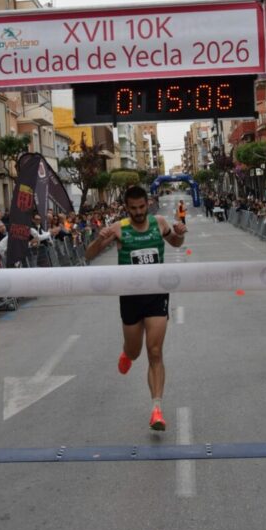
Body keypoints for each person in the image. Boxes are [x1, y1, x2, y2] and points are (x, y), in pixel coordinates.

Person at [85, 185, 187, 431]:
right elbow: (88, 256)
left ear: (147, 204)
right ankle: (126, 354)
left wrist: (180, 233)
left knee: (155, 351)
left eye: (142, 207)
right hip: (130, 298)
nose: (139, 212)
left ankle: (156, 409)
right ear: (126, 208)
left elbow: (175, 242)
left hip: (156, 296)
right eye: (134, 209)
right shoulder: (120, 228)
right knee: (135, 352)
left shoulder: (159, 222)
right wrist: (99, 240)